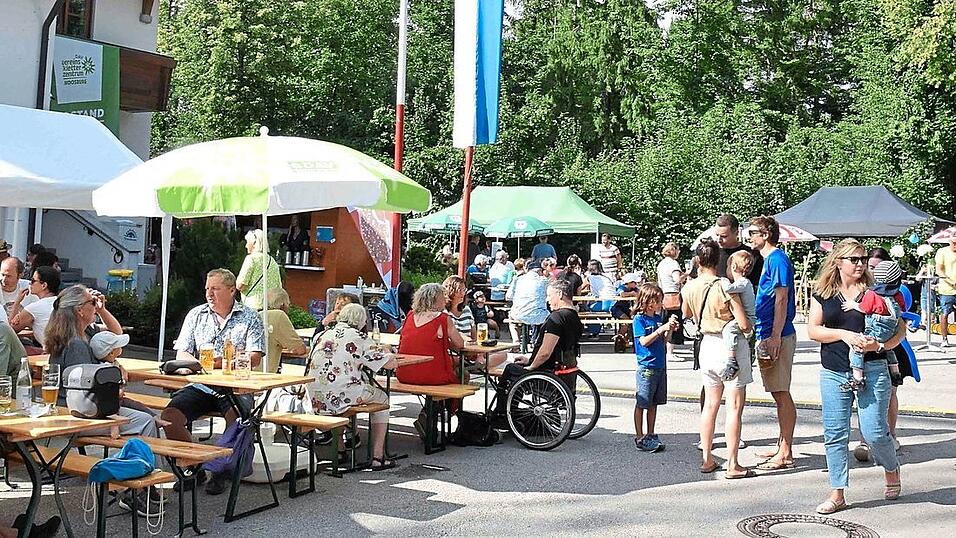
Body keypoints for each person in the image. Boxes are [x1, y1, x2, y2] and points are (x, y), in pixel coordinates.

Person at [807, 239, 903, 514]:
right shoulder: (823, 293)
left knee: (874, 433)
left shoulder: (877, 292)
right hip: (833, 371)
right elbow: (813, 331)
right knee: (835, 434)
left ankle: (891, 467)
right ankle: (837, 493)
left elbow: (900, 331)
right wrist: (843, 335)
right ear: (838, 262)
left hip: (873, 370)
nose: (860, 264)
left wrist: (879, 346)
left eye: (862, 259)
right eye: (854, 259)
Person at [161, 268, 265, 495]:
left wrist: (217, 363)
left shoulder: (249, 317)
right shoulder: (196, 314)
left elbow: (255, 356)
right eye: (207, 288)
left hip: (236, 386)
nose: (209, 293)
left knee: (236, 418)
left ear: (231, 290)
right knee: (169, 417)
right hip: (201, 385)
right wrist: (201, 365)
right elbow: (182, 354)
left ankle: (221, 471)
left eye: (215, 288)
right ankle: (194, 467)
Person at [681, 239, 754, 479]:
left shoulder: (689, 287)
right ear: (718, 260)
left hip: (706, 346)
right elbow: (743, 323)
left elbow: (687, 314)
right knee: (733, 407)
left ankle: (707, 458)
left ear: (698, 261)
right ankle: (733, 463)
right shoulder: (724, 285)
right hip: (728, 347)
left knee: (710, 405)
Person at [310, 303, 398, 470]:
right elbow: (389, 364)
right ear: (362, 322)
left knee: (340, 391)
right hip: (341, 395)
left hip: (315, 396)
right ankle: (378, 456)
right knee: (382, 399)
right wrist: (389, 353)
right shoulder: (359, 337)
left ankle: (340, 450)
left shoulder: (322, 335)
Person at [748, 216, 798, 471]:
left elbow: (781, 298)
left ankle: (786, 452)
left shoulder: (777, 259)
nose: (750, 236)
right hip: (768, 330)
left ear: (766, 234)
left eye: (754, 232)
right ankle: (782, 445)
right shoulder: (771, 260)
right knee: (777, 391)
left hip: (776, 332)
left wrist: (775, 335)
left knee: (781, 392)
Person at [494, 279, 582, 417]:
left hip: (547, 373)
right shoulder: (574, 317)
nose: (547, 300)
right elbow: (557, 349)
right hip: (565, 371)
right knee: (518, 366)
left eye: (549, 295)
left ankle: (502, 414)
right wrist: (529, 359)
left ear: (559, 294)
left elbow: (546, 353)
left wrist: (531, 366)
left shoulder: (556, 318)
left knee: (511, 370)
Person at [841, 261, 905, 391]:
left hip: (877, 329)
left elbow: (865, 308)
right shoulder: (898, 294)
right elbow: (902, 309)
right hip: (892, 329)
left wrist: (853, 305)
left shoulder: (872, 294)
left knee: (857, 348)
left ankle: (857, 379)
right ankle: (896, 373)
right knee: (889, 349)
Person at [89, 331, 170, 429]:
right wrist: (120, 389)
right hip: (110, 403)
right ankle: (115, 428)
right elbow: (109, 392)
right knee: (128, 407)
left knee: (136, 405)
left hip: (115, 401)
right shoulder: (107, 370)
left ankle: (155, 418)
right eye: (119, 346)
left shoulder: (106, 364)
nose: (121, 349)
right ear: (111, 353)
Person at [632, 283, 678, 452]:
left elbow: (663, 341)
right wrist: (660, 330)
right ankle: (639, 436)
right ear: (648, 301)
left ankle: (651, 433)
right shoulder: (639, 319)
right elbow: (643, 341)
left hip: (660, 365)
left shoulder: (657, 319)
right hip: (647, 367)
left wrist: (669, 330)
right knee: (642, 402)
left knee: (654, 403)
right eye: (658, 300)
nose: (660, 304)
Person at [721, 250, 756, 381]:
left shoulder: (743, 283)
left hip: (748, 318)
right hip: (747, 316)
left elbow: (728, 289)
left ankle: (732, 360)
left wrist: (723, 280)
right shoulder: (743, 283)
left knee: (729, 329)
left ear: (733, 267)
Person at [8, 266, 60, 348]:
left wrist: (17, 303)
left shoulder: (34, 308)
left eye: (33, 281)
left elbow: (10, 331)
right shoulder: (61, 302)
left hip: (53, 354)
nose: (29, 284)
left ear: (44, 285)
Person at [236, 229, 282, 311]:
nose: (246, 245)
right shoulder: (272, 261)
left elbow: (241, 285)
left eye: (247, 242)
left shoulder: (251, 259)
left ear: (254, 243)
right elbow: (279, 287)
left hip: (252, 308)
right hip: (270, 308)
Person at [505, 259, 550, 344]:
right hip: (539, 315)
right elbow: (550, 296)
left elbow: (508, 297)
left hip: (518, 314)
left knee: (511, 317)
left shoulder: (518, 279)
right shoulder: (544, 281)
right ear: (540, 270)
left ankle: (516, 342)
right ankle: (541, 341)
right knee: (549, 316)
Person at [263, 289, 308, 373]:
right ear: (283, 305)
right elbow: (300, 349)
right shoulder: (278, 315)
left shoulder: (259, 315)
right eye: (288, 304)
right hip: (265, 375)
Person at [713, 214, 763, 287]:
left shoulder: (751, 255)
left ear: (736, 233)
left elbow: (757, 284)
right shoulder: (711, 252)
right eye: (717, 235)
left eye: (724, 236)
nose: (719, 240)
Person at [657, 242, 686, 360]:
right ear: (674, 251)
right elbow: (677, 280)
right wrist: (687, 274)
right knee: (674, 322)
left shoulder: (661, 264)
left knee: (664, 321)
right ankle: (670, 352)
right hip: (673, 296)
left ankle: (663, 349)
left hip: (663, 295)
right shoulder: (674, 264)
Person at [934, 236, 956, 346]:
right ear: (949, 241)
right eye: (953, 243)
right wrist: (951, 281)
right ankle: (944, 339)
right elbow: (939, 270)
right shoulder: (942, 251)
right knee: (945, 313)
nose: (955, 245)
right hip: (947, 288)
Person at [611, 273, 642, 352]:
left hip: (626, 309)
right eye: (634, 283)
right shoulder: (622, 287)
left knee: (633, 321)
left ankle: (626, 339)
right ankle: (620, 338)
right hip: (617, 308)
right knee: (626, 321)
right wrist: (631, 294)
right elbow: (621, 294)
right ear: (629, 283)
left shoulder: (635, 289)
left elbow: (640, 294)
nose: (636, 284)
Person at [444, 275, 476, 340]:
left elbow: (474, 336)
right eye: (459, 290)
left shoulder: (466, 310)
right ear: (450, 291)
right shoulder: (443, 312)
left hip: (469, 348)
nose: (462, 293)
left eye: (464, 290)